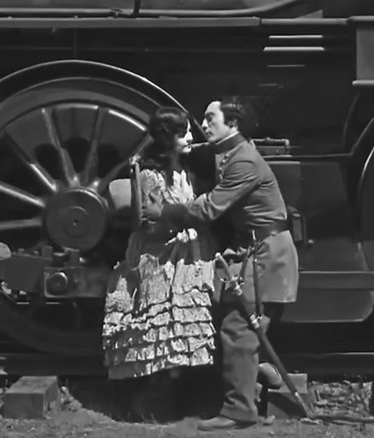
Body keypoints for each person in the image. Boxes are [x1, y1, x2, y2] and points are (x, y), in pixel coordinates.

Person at [144, 96, 299, 431]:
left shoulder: (243, 162)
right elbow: (203, 152)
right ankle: (258, 370)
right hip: (252, 247)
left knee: (238, 327)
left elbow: (210, 209)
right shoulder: (231, 151)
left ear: (234, 123)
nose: (204, 122)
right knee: (222, 313)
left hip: (264, 251)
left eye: (211, 117)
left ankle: (239, 409)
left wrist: (164, 212)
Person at [101, 107, 218, 412]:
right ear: (168, 140)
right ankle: (153, 397)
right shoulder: (150, 175)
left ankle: (179, 392)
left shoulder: (188, 171)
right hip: (161, 255)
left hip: (188, 252)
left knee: (188, 325)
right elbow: (149, 222)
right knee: (160, 325)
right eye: (184, 133)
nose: (191, 137)